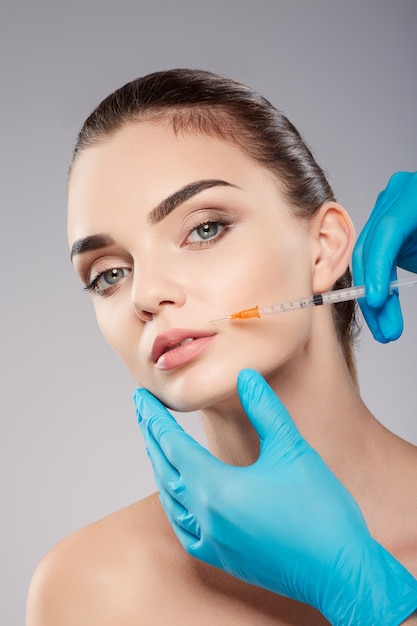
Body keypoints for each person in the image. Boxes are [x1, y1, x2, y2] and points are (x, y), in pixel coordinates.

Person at [26, 70, 417, 625]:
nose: (146, 293)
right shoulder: (91, 591)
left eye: (204, 229)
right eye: (109, 273)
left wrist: (365, 597)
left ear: (325, 249)